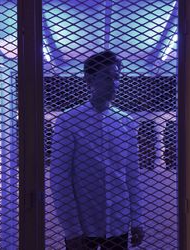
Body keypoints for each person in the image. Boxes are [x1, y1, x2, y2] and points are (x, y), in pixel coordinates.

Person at [50, 50, 144, 250]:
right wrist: (71, 230)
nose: (114, 83)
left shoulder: (126, 122)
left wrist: (136, 220)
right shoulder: (67, 121)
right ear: (90, 79)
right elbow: (60, 179)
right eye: (106, 77)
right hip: (84, 228)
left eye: (117, 78)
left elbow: (131, 176)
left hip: (119, 224)